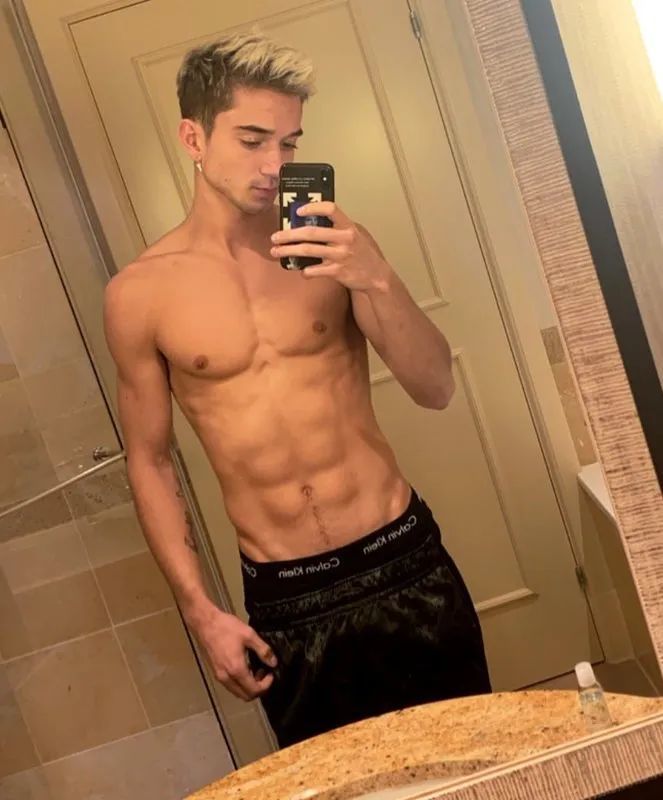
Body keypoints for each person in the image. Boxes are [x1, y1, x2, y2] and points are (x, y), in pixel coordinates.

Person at [103, 32, 491, 748]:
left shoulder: (334, 247)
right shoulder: (140, 295)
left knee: (478, 771)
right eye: (253, 140)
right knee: (344, 789)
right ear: (193, 137)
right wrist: (201, 611)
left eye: (289, 143)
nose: (275, 166)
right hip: (287, 600)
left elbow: (434, 386)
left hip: (402, 562)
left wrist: (375, 277)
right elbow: (149, 461)